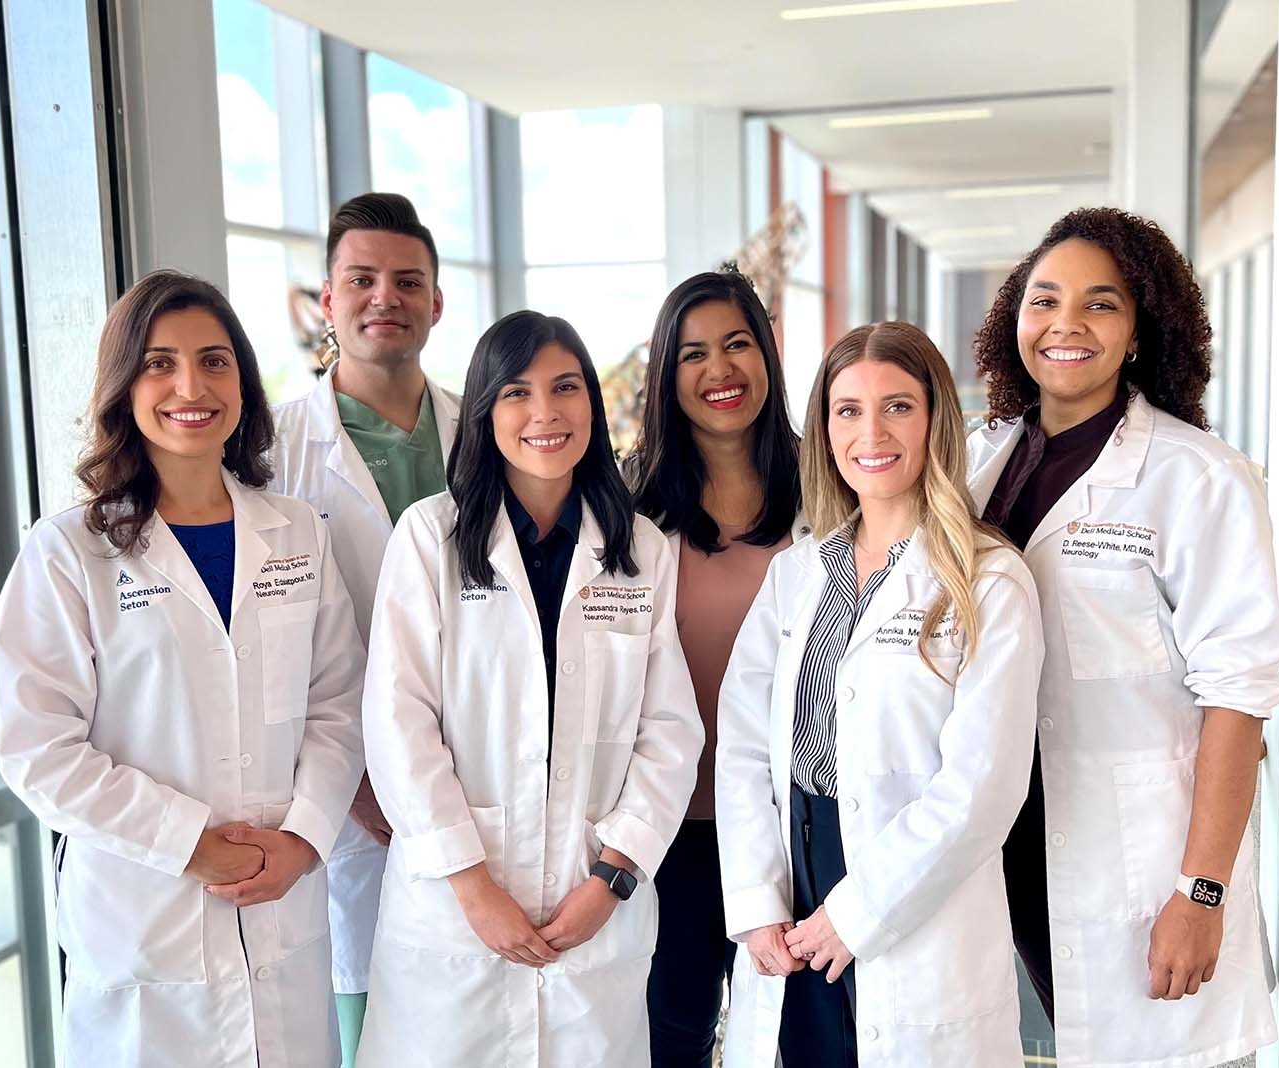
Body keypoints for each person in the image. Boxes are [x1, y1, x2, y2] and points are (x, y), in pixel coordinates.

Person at [0, 270, 365, 1067]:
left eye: (215, 360)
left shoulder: (295, 531)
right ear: (124, 385)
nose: (190, 386)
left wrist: (302, 840)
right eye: (160, 363)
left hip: (281, 909)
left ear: (243, 381)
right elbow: (39, 752)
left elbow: (339, 702)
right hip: (146, 921)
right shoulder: (69, 553)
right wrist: (188, 842)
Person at [968, 206, 1279, 1068]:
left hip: (1142, 863)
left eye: (1101, 304)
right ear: (1015, 321)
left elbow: (1242, 692)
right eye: (1044, 300)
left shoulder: (1199, 478)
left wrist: (1202, 891)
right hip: (1016, 839)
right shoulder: (982, 460)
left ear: (1143, 329)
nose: (1065, 324)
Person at [357, 310, 703, 1066]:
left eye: (565, 388)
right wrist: (475, 889)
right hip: (455, 918)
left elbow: (670, 732)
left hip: (592, 910)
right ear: (485, 411)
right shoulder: (430, 539)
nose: (545, 413)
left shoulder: (639, 547)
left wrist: (610, 878)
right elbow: (397, 724)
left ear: (593, 404)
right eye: (517, 392)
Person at [715, 322, 1044, 1067]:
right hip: (793, 891)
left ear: (934, 420)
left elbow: (982, 790)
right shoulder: (797, 574)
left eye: (898, 406)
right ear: (825, 429)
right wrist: (755, 904)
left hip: (912, 893)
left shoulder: (989, 580)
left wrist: (859, 914)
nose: (872, 432)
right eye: (847, 410)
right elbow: (741, 749)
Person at [266, 192, 462, 1064]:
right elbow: (272, 647)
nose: (386, 296)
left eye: (406, 280)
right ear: (327, 299)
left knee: (470, 1023)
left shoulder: (487, 431)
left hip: (475, 774)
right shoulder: (269, 450)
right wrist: (350, 784)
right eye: (363, 279)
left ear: (436, 302)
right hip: (348, 806)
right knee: (366, 1027)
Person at [625, 269, 805, 1067]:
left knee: (796, 1036)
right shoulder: (626, 503)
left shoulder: (831, 482)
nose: (719, 371)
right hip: (672, 836)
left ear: (766, 354)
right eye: (692, 354)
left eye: (737, 344)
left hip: (797, 828)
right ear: (667, 377)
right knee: (673, 1036)